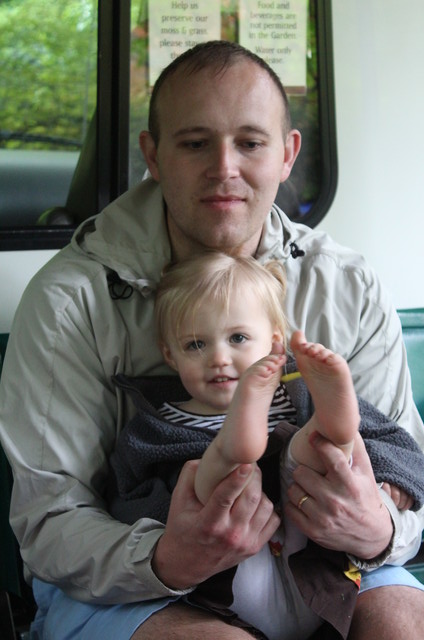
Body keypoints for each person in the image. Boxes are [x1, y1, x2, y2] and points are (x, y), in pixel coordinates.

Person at [0, 39, 423, 640]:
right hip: (128, 571)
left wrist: (377, 528)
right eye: (195, 143)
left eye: (249, 143)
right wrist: (168, 557)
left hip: (330, 557)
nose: (224, 167)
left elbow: (407, 470)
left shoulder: (346, 285)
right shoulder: (70, 300)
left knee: (404, 626)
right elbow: (50, 521)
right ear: (153, 154)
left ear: (286, 153)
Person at [108, 251, 424, 639]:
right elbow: (128, 497)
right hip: (232, 575)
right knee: (216, 479)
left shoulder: (298, 397)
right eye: (195, 345)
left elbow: (399, 443)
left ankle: (336, 431)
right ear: (169, 353)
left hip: (313, 560)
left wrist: (390, 481)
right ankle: (233, 449)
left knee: (309, 450)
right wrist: (170, 522)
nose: (219, 358)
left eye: (237, 338)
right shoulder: (158, 426)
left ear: (275, 341)